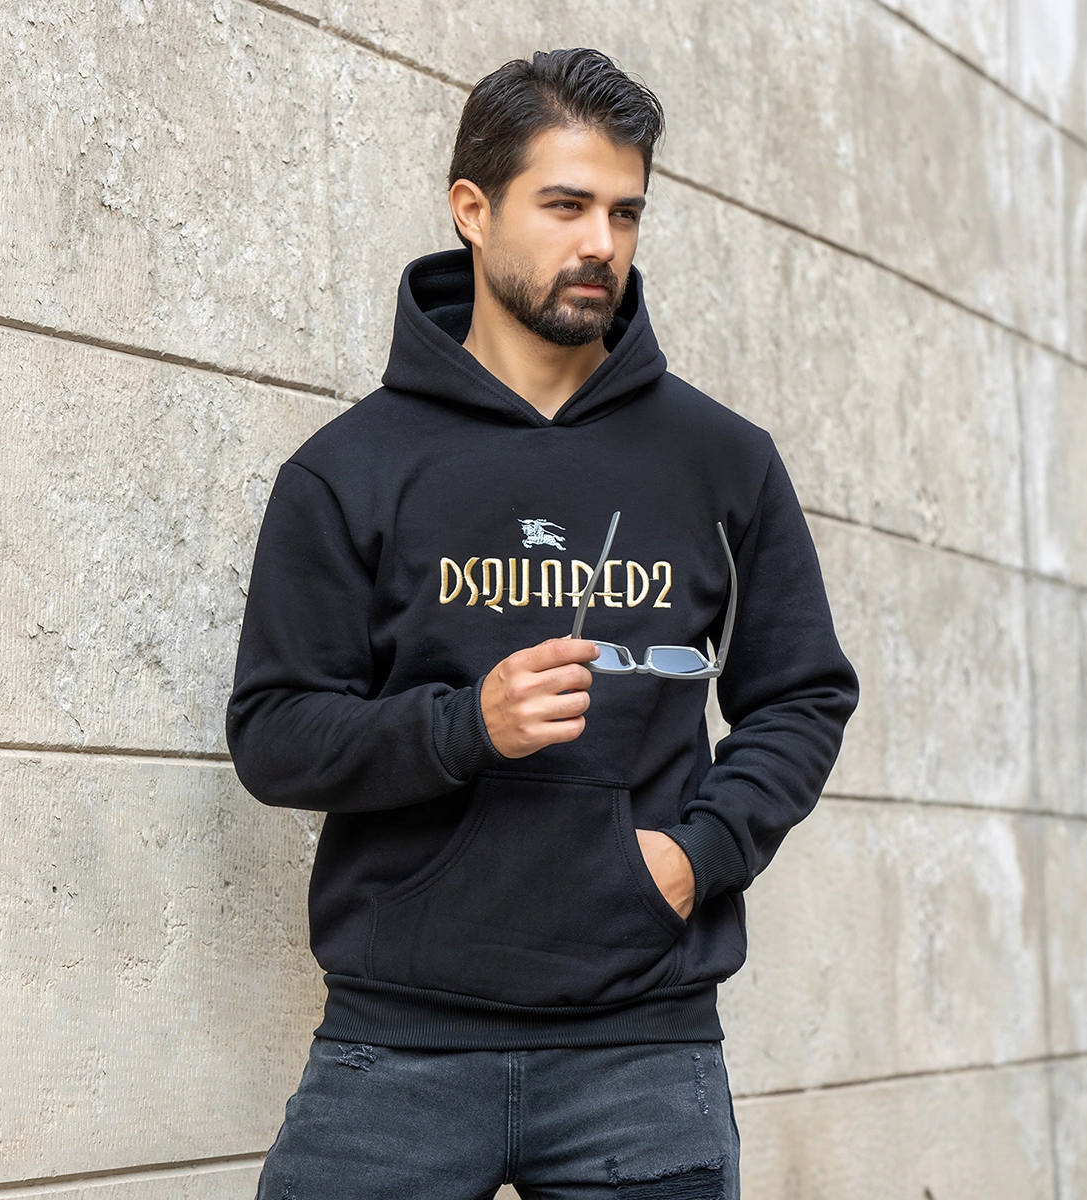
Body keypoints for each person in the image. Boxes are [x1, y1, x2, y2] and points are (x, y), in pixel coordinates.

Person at [228, 47, 858, 1200]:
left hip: (642, 1055)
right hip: (394, 1056)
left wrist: (698, 857)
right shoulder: (349, 470)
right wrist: (465, 725)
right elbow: (274, 733)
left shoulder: (722, 461)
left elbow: (803, 695)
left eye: (625, 212)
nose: (601, 243)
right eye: (566, 206)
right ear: (472, 209)